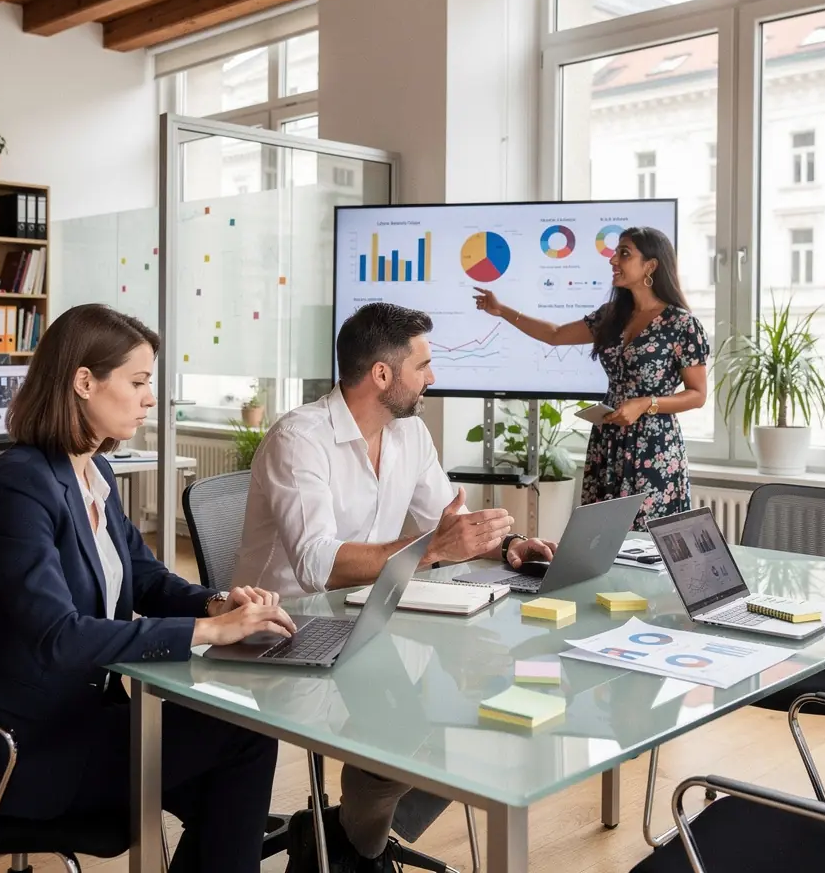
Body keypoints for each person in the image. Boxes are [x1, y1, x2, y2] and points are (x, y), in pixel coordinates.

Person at [0, 303, 297, 873]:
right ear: (84, 382)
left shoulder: (92, 471)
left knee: (239, 741)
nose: (150, 398)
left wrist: (218, 601)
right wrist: (209, 630)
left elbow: (143, 577)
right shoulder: (19, 486)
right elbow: (58, 638)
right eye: (139, 382)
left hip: (77, 718)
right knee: (239, 745)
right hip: (19, 747)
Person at [232, 301, 558, 873]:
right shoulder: (300, 439)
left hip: (369, 618)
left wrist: (509, 546)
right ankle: (359, 844)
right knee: (414, 726)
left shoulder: (409, 436)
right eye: (423, 365)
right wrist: (431, 548)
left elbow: (448, 520)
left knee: (485, 709)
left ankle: (354, 841)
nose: (432, 377)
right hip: (282, 635)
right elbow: (316, 565)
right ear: (382, 374)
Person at [475, 226, 708, 530]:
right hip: (608, 442)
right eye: (615, 252)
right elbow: (555, 335)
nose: (613, 260)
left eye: (624, 253)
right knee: (602, 539)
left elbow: (697, 394)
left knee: (648, 544)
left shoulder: (682, 325)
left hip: (654, 447)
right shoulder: (611, 315)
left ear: (650, 265)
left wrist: (645, 404)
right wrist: (501, 310)